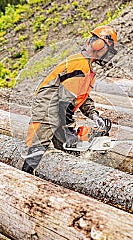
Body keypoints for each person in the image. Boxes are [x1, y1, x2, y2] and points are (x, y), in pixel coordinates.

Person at [21, 25, 118, 174]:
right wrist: (68, 130)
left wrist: (94, 116)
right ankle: (24, 176)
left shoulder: (86, 68)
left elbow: (82, 97)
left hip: (58, 108)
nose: (108, 55)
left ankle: (66, 180)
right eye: (108, 49)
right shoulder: (79, 64)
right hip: (49, 105)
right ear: (99, 45)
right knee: (39, 145)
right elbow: (64, 101)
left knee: (68, 148)